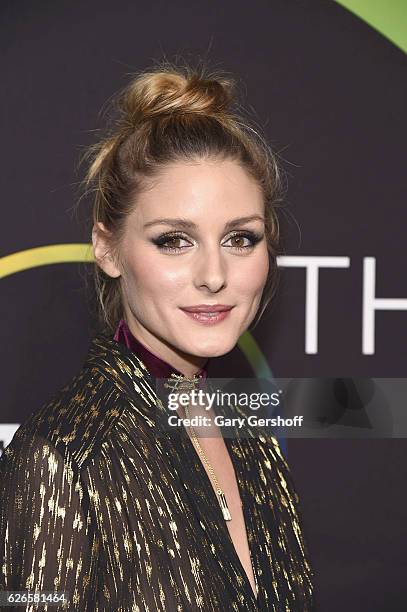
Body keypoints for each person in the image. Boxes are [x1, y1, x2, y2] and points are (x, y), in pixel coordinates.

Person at [0, 60, 314, 611]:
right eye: (174, 240)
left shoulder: (251, 426)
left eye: (241, 238)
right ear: (108, 247)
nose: (214, 275)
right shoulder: (60, 457)